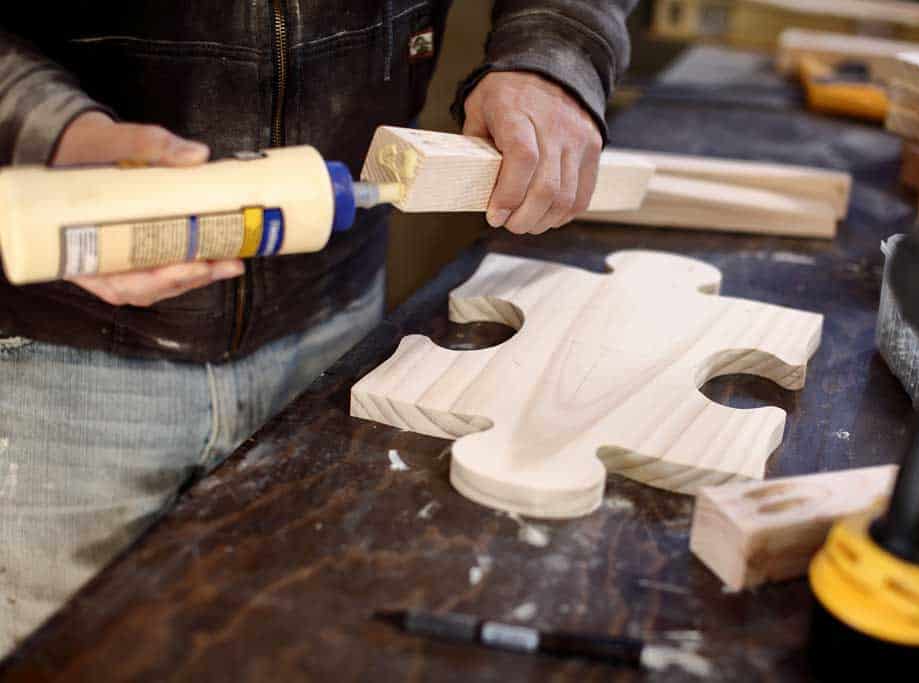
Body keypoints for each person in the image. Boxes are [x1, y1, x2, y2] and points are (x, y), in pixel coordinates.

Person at [0, 0, 636, 655]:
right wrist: (35, 126)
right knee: (74, 658)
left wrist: (558, 52)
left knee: (301, 650)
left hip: (338, 315)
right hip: (49, 339)